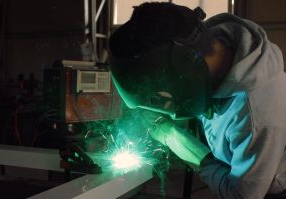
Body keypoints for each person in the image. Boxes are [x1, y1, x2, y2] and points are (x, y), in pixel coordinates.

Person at [108, 2, 286, 199]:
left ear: (184, 70)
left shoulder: (254, 115)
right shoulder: (203, 46)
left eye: (158, 98)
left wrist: (174, 138)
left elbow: (241, 195)